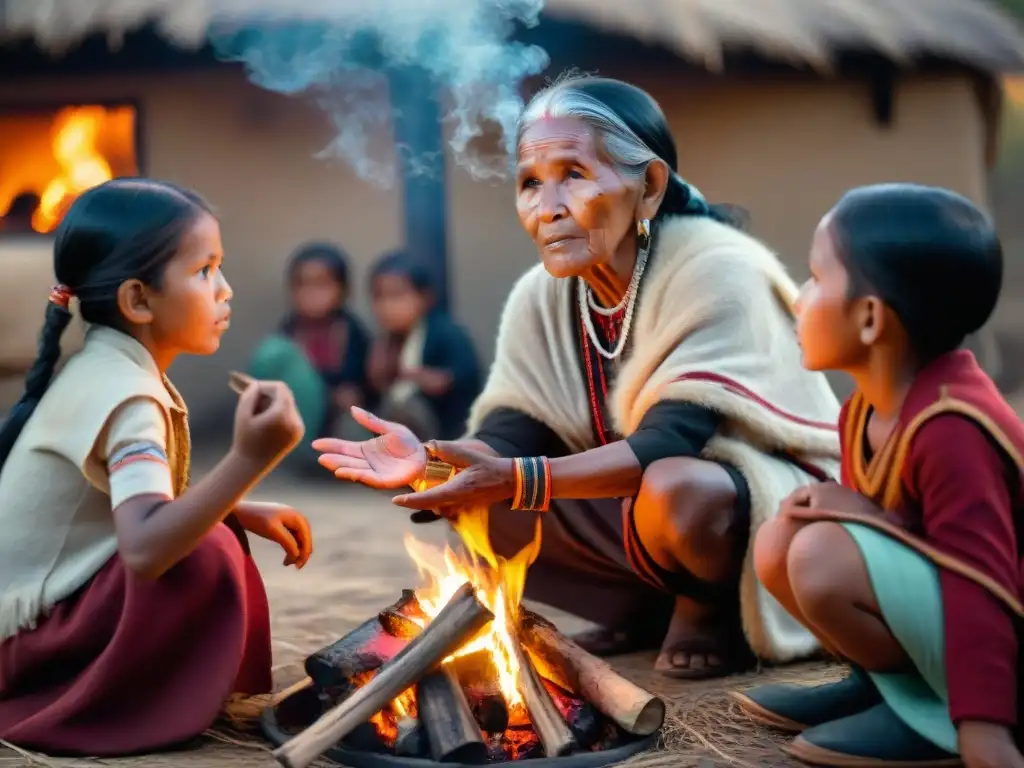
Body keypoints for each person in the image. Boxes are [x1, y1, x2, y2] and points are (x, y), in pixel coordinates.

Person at [314, 75, 842, 678]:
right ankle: (639, 607)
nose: (549, 205)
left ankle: (706, 609)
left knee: (675, 488)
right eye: (530, 183)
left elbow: (671, 442)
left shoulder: (718, 269)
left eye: (575, 174)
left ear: (648, 187)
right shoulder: (541, 294)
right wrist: (433, 462)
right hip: (630, 504)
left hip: (762, 513)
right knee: (480, 497)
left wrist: (514, 479)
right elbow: (517, 437)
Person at [0, 178, 311, 756]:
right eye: (205, 271)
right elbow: (144, 548)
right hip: (22, 644)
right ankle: (113, 712)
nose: (226, 291)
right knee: (203, 553)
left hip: (22, 629)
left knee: (212, 530)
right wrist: (249, 460)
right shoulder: (130, 396)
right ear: (138, 300)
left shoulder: (106, 366)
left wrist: (235, 508)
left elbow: (123, 508)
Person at [735, 184, 1023, 767]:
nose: (798, 298)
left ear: (869, 319)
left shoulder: (951, 429)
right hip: (956, 631)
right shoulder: (863, 411)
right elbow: (902, 544)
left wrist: (985, 729)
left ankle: (938, 718)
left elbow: (982, 582)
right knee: (780, 539)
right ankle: (887, 688)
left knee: (819, 553)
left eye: (815, 278)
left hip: (1003, 662)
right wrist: (865, 513)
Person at [249, 242, 371, 439]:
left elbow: (361, 380)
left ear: (342, 290)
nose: (311, 294)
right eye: (302, 284)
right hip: (299, 410)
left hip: (337, 415)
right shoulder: (289, 330)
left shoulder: (349, 329)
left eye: (321, 285)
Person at [366, 250, 482, 440]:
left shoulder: (445, 333)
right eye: (379, 297)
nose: (386, 306)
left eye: (396, 296)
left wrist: (419, 376)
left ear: (425, 297)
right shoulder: (384, 340)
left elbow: (464, 378)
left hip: (450, 436)